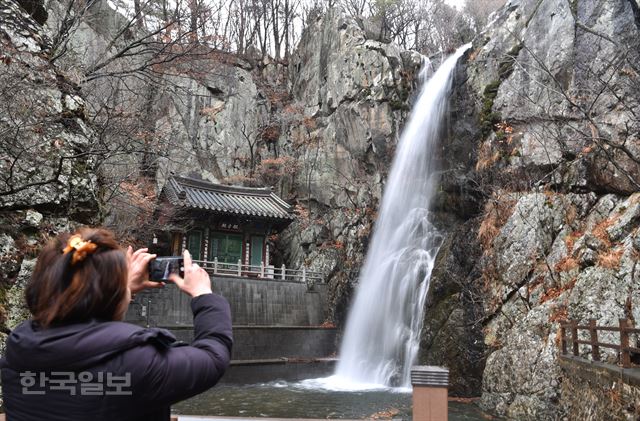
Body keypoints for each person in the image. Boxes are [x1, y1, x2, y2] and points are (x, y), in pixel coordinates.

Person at [0, 228, 233, 421]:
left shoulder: (19, 349)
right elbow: (213, 357)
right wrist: (203, 294)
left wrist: (121, 288)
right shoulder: (137, 364)